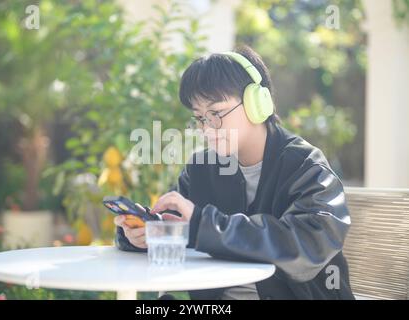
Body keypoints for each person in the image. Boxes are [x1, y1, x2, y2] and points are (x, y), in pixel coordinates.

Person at [114, 45, 355, 300]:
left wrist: (202, 225)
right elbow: (173, 222)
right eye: (200, 117)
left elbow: (310, 242)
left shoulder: (306, 166)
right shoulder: (202, 169)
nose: (207, 128)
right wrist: (141, 235)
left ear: (256, 103)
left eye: (216, 113)